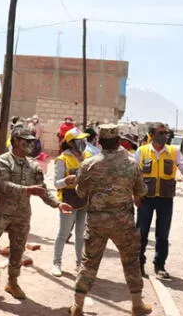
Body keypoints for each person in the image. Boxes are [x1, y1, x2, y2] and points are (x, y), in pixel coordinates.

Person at [0, 126, 72, 299]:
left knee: (17, 250)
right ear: (15, 140)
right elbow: (3, 185)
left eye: (31, 140)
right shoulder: (3, 161)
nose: (30, 143)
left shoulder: (33, 165)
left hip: (21, 215)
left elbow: (42, 190)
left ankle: (12, 282)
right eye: (25, 140)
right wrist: (27, 190)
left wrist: (57, 204)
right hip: (0, 212)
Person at [70, 124, 152, 316]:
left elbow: (80, 193)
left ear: (100, 142)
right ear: (118, 142)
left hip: (97, 222)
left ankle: (77, 306)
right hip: (123, 221)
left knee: (88, 262)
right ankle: (137, 305)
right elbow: (141, 192)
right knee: (131, 261)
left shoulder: (88, 164)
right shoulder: (131, 163)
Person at [135, 123, 183, 279]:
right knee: (141, 233)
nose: (165, 135)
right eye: (161, 132)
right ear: (152, 134)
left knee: (163, 234)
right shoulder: (142, 151)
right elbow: (134, 173)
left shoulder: (173, 151)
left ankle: (159, 266)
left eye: (167, 132)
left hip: (165, 199)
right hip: (146, 198)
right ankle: (139, 264)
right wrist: (135, 195)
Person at [51, 128, 89, 277]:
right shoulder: (62, 159)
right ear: (71, 143)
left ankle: (80, 264)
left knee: (81, 235)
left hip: (84, 200)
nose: (83, 142)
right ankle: (56, 263)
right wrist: (66, 180)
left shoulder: (86, 157)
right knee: (63, 234)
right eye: (80, 139)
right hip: (69, 200)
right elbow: (56, 183)